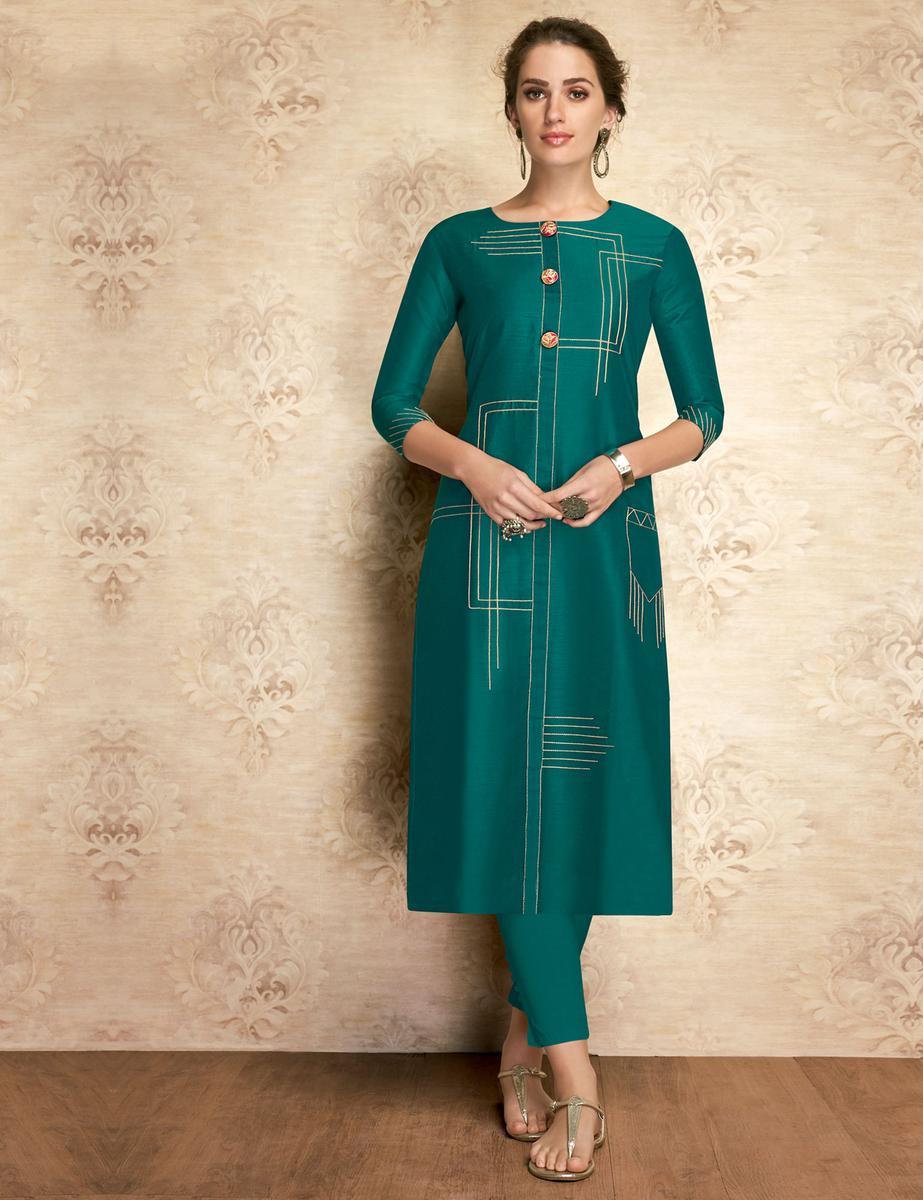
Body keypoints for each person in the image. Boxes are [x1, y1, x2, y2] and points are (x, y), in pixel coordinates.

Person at [368, 15, 724, 1184]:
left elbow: (703, 416)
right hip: (484, 557)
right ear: (513, 109)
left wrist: (619, 465)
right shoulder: (460, 244)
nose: (555, 110)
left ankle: (523, 1038)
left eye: (577, 90)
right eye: (534, 91)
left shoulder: (653, 247)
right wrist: (472, 465)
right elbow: (393, 406)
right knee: (505, 788)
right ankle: (579, 1074)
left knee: (576, 787)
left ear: (610, 108)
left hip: (604, 554)